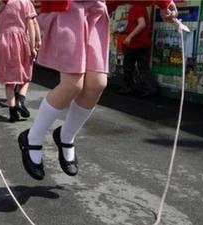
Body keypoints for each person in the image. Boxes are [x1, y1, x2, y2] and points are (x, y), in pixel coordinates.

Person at [18, 0, 178, 180]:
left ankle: (66, 136)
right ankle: (33, 137)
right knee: (72, 84)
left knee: (97, 83)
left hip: (95, 13)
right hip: (68, 11)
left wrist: (163, 2)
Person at [117, 3, 158, 97]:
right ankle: (150, 88)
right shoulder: (139, 7)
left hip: (137, 43)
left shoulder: (137, 7)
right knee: (142, 66)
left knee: (128, 65)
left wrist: (130, 37)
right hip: (142, 43)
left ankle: (129, 87)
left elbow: (142, 24)